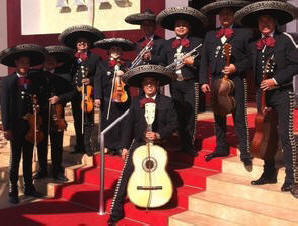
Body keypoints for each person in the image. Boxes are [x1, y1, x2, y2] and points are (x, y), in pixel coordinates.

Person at [235, 0, 298, 197]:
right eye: (262, 21)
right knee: (266, 136)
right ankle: (269, 172)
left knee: (286, 136)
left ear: (275, 22)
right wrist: (233, 68)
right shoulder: (254, 44)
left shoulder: (286, 39)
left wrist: (276, 80)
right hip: (263, 97)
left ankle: (292, 179)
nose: (265, 24)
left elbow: (295, 65)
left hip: (282, 93)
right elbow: (247, 63)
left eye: (268, 20)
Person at [107, 64, 177, 225]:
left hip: (159, 144)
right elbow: (128, 125)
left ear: (157, 84)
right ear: (142, 86)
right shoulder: (136, 101)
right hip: (138, 143)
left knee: (156, 171)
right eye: (146, 83)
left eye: (152, 82)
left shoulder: (167, 102)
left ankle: (156, 198)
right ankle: (116, 211)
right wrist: (124, 146)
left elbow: (173, 124)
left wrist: (159, 134)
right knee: (126, 174)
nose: (149, 85)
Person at [199, 0, 253, 170]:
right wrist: (203, 81)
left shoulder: (244, 33)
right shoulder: (209, 35)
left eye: (228, 14)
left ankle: (244, 151)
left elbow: (251, 59)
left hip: (236, 80)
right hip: (215, 80)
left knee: (239, 116)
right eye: (222, 14)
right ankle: (221, 147)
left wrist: (236, 67)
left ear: (234, 15)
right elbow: (204, 61)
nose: (225, 17)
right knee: (219, 115)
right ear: (218, 17)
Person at [156, 6, 208, 156]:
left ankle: (189, 145)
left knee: (191, 114)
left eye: (183, 25)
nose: (180, 28)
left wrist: (194, 63)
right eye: (178, 25)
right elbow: (162, 61)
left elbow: (203, 63)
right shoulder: (167, 43)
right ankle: (181, 142)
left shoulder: (198, 41)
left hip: (190, 83)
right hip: (174, 83)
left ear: (189, 27)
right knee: (178, 113)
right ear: (174, 27)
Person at [0, 44, 47, 204]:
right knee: (15, 159)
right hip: (15, 127)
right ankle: (13, 189)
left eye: (27, 63)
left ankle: (29, 186)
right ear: (16, 63)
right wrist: (6, 128)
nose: (25, 65)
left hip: (30, 127)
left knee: (28, 158)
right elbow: (5, 106)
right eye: (22, 62)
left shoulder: (33, 81)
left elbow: (36, 100)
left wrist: (37, 108)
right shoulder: (7, 82)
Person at [58, 25, 104, 155]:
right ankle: (79, 145)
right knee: (77, 119)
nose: (82, 44)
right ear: (76, 45)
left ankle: (88, 146)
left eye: (84, 42)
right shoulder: (71, 59)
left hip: (88, 94)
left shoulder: (95, 58)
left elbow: (99, 75)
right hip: (75, 94)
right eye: (79, 42)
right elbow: (68, 75)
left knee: (88, 120)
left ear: (88, 44)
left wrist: (90, 80)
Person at [31, 45, 74, 181]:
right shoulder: (34, 75)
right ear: (43, 62)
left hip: (57, 115)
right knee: (41, 144)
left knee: (57, 145)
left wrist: (59, 98)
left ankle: (57, 171)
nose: (50, 62)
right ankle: (42, 170)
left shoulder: (64, 76)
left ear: (56, 63)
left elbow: (73, 92)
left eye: (52, 60)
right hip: (41, 115)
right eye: (47, 60)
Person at [93, 38, 135, 155]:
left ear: (122, 52)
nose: (115, 51)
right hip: (107, 99)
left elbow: (133, 80)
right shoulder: (102, 65)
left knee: (123, 122)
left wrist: (125, 74)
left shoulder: (127, 64)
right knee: (107, 121)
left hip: (123, 99)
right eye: (113, 49)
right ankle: (107, 145)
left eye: (118, 49)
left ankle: (122, 145)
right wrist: (97, 97)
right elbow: (97, 81)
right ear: (109, 52)